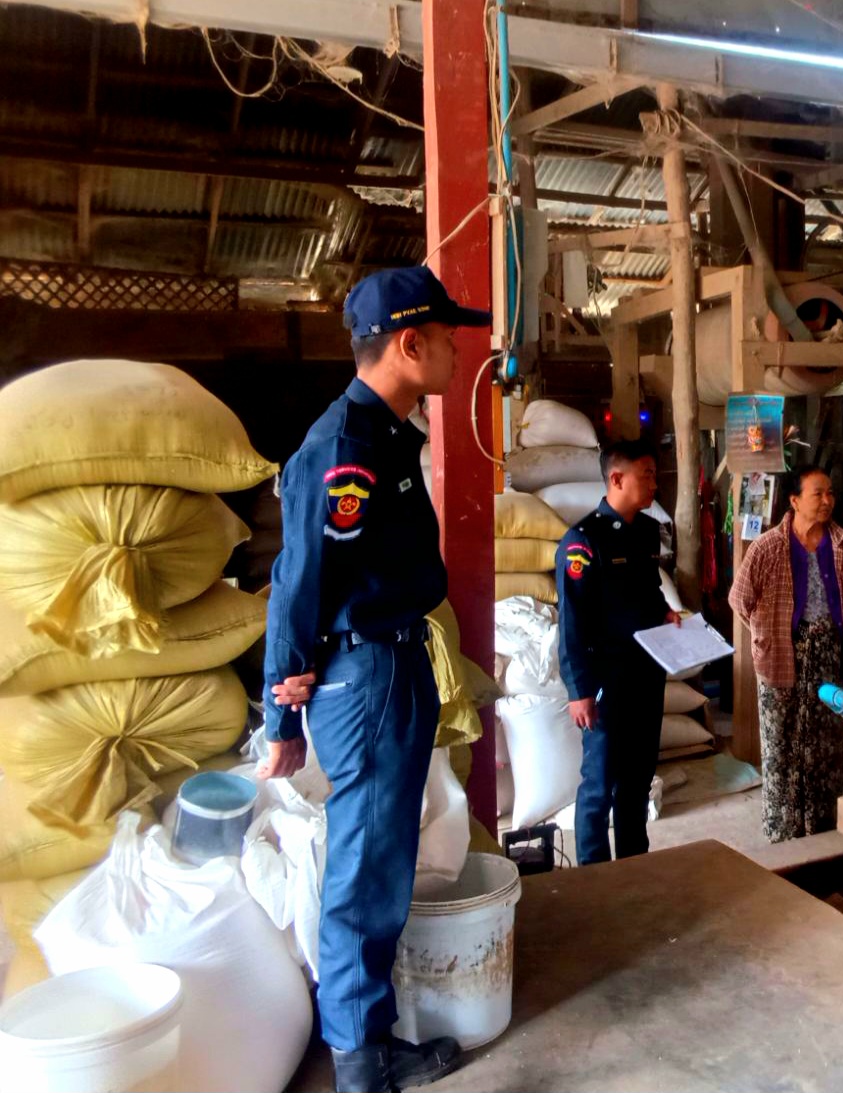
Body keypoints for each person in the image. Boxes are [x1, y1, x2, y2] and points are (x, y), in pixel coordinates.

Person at [258, 266, 488, 1092]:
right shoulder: (346, 448)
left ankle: (370, 1037)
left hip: (392, 658)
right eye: (448, 337)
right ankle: (358, 1061)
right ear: (409, 343)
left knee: (383, 859)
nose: (459, 351)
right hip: (365, 670)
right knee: (363, 869)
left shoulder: (386, 434)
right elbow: (298, 581)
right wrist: (283, 707)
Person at [558, 438, 679, 866]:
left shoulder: (646, 531)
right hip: (606, 682)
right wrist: (579, 690)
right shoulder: (582, 540)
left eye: (654, 475)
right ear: (617, 478)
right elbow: (571, 623)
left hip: (645, 676)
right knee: (599, 786)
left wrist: (665, 613)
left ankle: (633, 868)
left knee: (636, 782)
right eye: (647, 475)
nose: (654, 484)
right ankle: (594, 877)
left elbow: (648, 591)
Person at [729, 466, 843, 842]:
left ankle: (824, 831)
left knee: (826, 744)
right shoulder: (768, 546)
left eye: (830, 493)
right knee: (782, 745)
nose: (827, 501)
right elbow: (739, 599)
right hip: (783, 654)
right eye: (818, 493)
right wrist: (766, 635)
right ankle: (784, 835)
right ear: (794, 500)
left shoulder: (842, 544)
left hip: (828, 652)